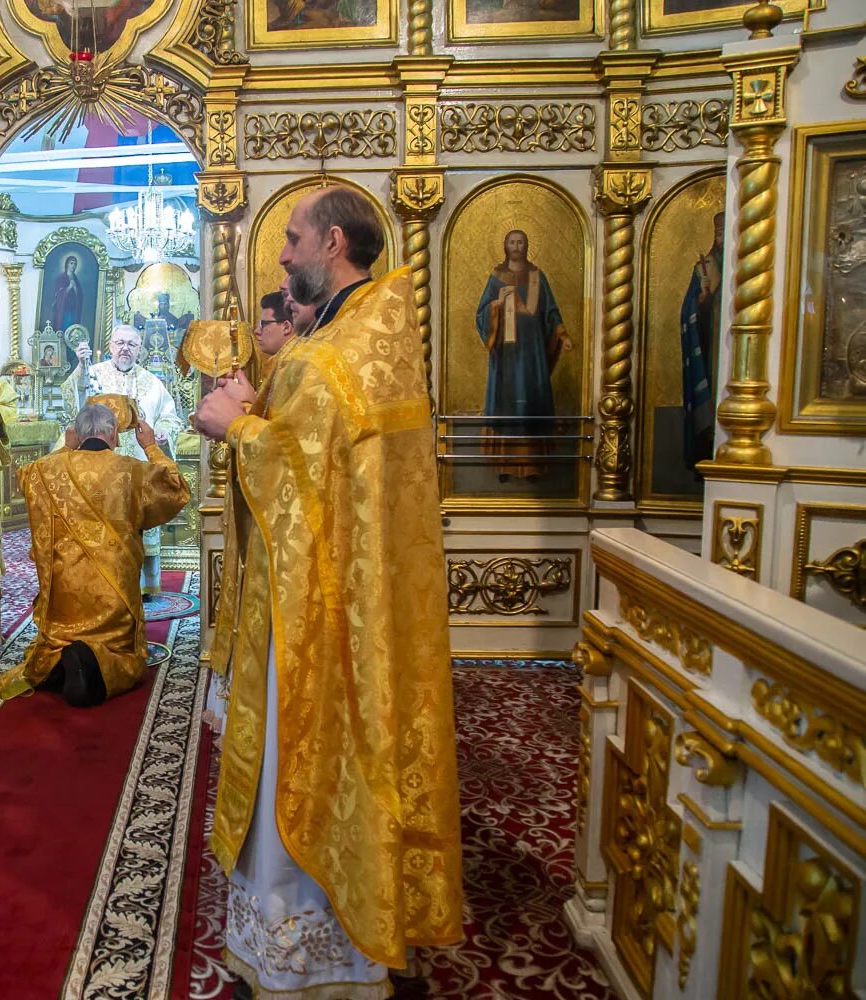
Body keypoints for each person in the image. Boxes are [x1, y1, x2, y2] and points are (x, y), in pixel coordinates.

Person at [193, 186, 463, 998]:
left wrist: (234, 426)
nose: (281, 254)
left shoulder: (322, 358)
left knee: (297, 758)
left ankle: (304, 951)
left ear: (333, 243)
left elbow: (300, 490)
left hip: (313, 604)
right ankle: (363, 936)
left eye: (292, 238)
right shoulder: (380, 333)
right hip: (372, 597)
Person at [0, 403, 190, 708]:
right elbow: (176, 488)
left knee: (56, 640)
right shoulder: (131, 471)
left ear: (77, 434)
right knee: (126, 659)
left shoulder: (47, 471)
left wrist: (65, 447)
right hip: (115, 599)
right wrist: (150, 445)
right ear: (113, 434)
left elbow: (26, 478)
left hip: (64, 600)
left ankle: (61, 659)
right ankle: (94, 663)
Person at [63, 324, 185, 596]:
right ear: (110, 346)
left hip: (140, 470)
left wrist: (164, 430)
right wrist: (81, 368)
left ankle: (145, 589)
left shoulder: (152, 382)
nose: (125, 349)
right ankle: (105, 586)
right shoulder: (93, 374)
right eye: (119, 343)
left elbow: (169, 414)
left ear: (140, 348)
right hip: (101, 470)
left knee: (141, 525)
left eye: (131, 344)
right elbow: (74, 403)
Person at [475, 228, 573, 481]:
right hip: (507, 353)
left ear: (526, 245)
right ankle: (505, 465)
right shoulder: (497, 276)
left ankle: (532, 466)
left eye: (520, 242)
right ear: (505, 246)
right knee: (506, 404)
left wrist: (561, 333)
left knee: (531, 400)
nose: (516, 246)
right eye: (512, 242)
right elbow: (482, 311)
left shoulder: (537, 276)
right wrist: (495, 306)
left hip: (532, 353)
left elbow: (550, 309)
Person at [680, 212, 724, 470]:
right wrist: (703, 299)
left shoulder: (747, 265)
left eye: (724, 228)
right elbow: (689, 310)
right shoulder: (704, 267)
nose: (720, 234)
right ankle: (704, 448)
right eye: (717, 228)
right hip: (708, 345)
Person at [48, 254, 83, 332]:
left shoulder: (76, 279)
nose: (73, 266)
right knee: (64, 326)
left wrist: (75, 289)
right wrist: (69, 287)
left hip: (73, 308)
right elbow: (58, 294)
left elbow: (79, 295)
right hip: (64, 309)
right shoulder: (61, 277)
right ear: (67, 264)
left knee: (72, 328)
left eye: (75, 264)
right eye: (71, 263)